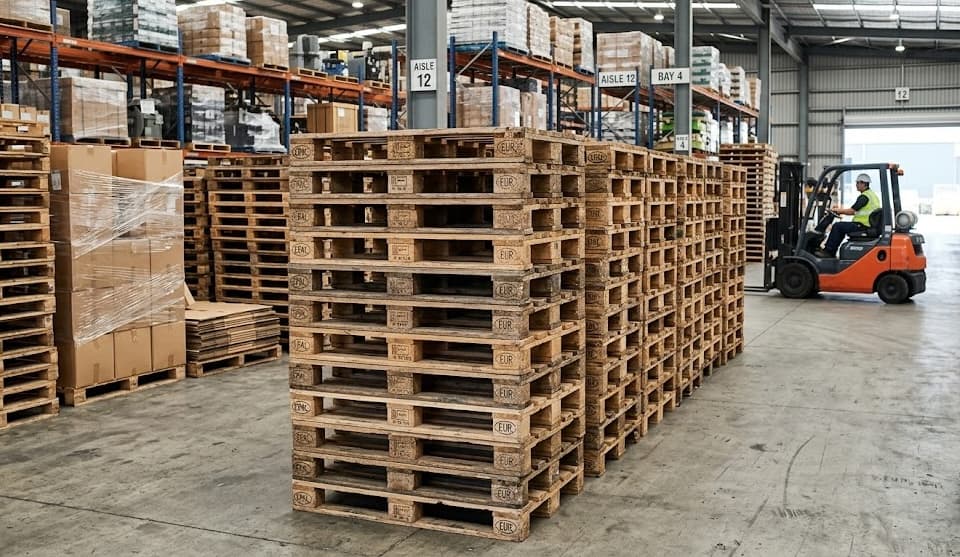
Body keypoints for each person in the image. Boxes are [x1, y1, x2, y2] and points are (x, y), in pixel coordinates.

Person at [815, 173, 881, 258]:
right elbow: (854, 210)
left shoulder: (864, 197)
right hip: (866, 225)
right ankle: (830, 252)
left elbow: (851, 211)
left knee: (838, 226)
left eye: (858, 183)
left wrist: (838, 210)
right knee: (841, 227)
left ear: (863, 183)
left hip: (863, 226)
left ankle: (829, 251)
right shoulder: (872, 195)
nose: (856, 185)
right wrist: (839, 211)